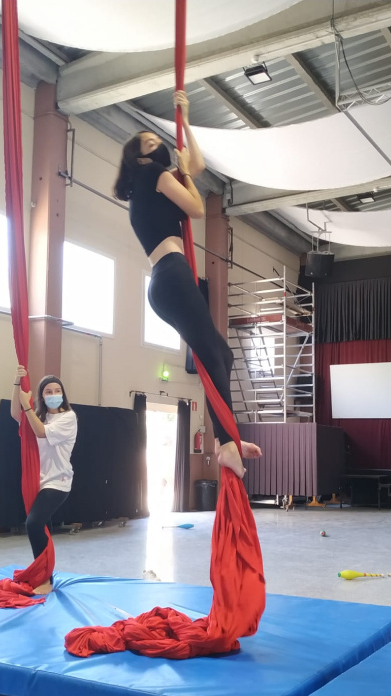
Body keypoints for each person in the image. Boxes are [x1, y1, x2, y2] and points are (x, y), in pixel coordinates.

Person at [113, 90, 261, 478]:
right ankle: (227, 445)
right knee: (212, 355)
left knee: (221, 355)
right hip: (172, 276)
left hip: (168, 281)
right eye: (148, 141)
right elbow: (196, 205)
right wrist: (186, 176)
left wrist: (186, 118)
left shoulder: (157, 182)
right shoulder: (150, 174)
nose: (155, 142)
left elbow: (192, 165)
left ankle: (225, 436)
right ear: (138, 157)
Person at [10, 366, 77, 595]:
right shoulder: (37, 415)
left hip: (58, 481)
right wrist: (17, 384)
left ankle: (45, 579)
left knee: (34, 523)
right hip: (39, 481)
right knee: (43, 528)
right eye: (48, 391)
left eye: (57, 390)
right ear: (42, 396)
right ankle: (45, 575)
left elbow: (40, 432)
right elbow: (14, 414)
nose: (53, 394)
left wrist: (27, 404)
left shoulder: (68, 418)